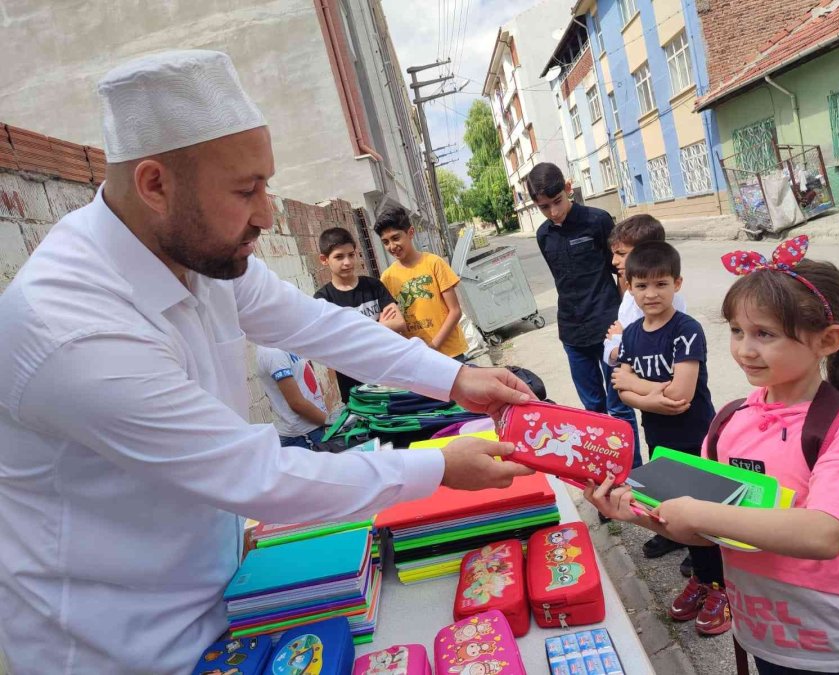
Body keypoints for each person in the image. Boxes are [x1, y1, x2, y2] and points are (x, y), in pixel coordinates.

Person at [0, 50, 536, 674]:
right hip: (121, 646)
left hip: (231, 602)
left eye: (266, 183)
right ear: (154, 185)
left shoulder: (200, 257)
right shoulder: (68, 329)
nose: (267, 214)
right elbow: (257, 476)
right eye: (245, 190)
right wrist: (436, 466)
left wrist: (454, 377)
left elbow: (316, 324)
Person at [589, 237, 839, 673]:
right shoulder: (731, 423)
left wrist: (698, 514)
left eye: (765, 334)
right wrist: (635, 512)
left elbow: (827, 533)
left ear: (827, 340)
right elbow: (714, 532)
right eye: (737, 331)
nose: (744, 350)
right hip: (763, 641)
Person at [611, 241, 728, 636]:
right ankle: (701, 578)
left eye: (661, 284)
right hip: (658, 441)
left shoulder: (686, 330)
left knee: (703, 519)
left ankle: (721, 589)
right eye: (641, 286)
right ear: (628, 287)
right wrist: (648, 393)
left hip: (696, 439)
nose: (651, 294)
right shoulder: (630, 335)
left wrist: (637, 386)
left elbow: (680, 397)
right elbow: (621, 394)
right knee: (674, 516)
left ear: (677, 283)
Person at [528, 163, 628, 428]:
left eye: (557, 201)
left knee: (620, 407)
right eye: (544, 207)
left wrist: (623, 316)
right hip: (572, 334)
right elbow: (562, 281)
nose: (553, 212)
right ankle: (604, 469)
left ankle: (633, 470)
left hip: (609, 328)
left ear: (568, 188)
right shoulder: (543, 235)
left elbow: (620, 270)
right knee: (593, 411)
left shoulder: (598, 220)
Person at [602, 214, 687, 469]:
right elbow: (621, 374)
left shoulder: (673, 317)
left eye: (621, 253)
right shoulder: (632, 293)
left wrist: (618, 343)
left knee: (681, 463)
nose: (614, 260)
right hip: (650, 410)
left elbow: (632, 352)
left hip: (677, 416)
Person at [314, 226, 405, 401]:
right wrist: (381, 326)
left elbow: (399, 323)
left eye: (351, 254)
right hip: (354, 389)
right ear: (324, 260)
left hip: (389, 378)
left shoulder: (373, 286)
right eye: (339, 257)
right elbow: (333, 346)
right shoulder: (323, 300)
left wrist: (351, 334)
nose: (347, 262)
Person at [376, 205, 468, 362]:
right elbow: (392, 322)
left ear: (410, 233)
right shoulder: (386, 278)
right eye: (385, 242)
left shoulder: (434, 263)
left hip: (450, 354)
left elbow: (455, 311)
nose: (392, 246)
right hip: (417, 359)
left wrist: (432, 347)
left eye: (396, 238)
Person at [256, 345, 328, 448]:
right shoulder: (273, 353)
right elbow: (297, 403)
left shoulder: (283, 345)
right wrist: (332, 422)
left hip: (312, 428)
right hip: (303, 436)